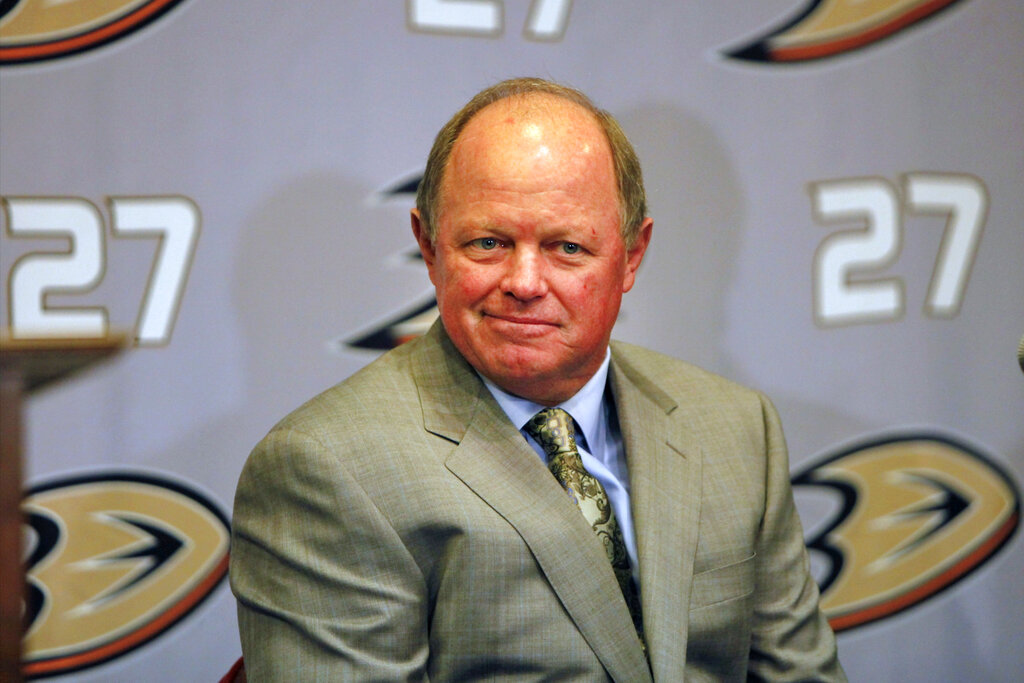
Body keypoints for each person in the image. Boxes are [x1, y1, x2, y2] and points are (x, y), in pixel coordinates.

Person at [230, 77, 845, 681]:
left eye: (567, 248)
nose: (524, 282)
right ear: (429, 245)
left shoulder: (736, 428)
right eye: (489, 242)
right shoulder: (325, 468)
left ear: (632, 255)